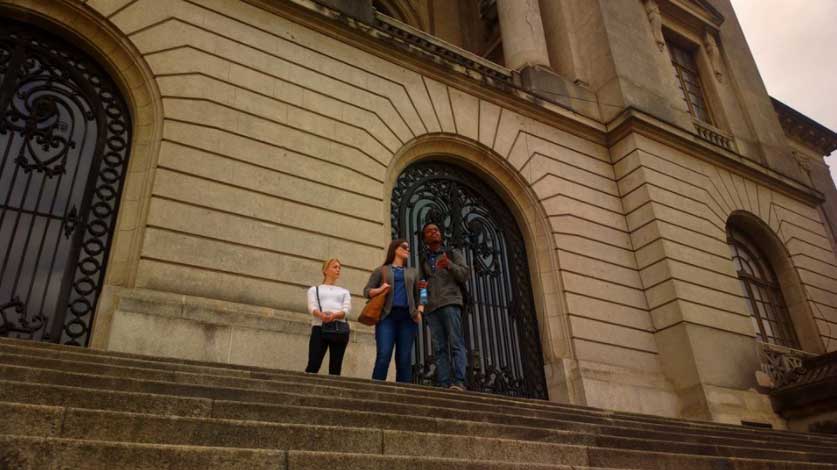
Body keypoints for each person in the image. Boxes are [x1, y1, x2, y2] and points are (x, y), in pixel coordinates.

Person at [364, 239, 423, 383]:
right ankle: (376, 390)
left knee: (404, 358)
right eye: (404, 247)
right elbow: (366, 291)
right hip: (387, 317)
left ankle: (404, 395)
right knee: (383, 355)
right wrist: (380, 289)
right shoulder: (381, 270)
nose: (407, 250)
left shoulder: (413, 272)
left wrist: (420, 310)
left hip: (408, 319)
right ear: (395, 249)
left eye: (408, 248)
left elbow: (423, 291)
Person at [420, 223, 469, 391]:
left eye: (436, 230)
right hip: (432, 309)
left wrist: (449, 264)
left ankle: (459, 381)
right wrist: (424, 305)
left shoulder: (452, 253)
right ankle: (443, 382)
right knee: (439, 347)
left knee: (456, 342)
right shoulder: (424, 260)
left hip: (450, 302)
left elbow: (464, 274)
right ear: (425, 238)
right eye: (429, 231)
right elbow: (422, 285)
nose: (434, 232)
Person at [305, 258, 351, 375]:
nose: (338, 270)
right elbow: (312, 307)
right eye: (335, 267)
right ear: (325, 270)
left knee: (336, 367)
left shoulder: (344, 292)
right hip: (320, 328)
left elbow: (347, 310)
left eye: (339, 268)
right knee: (313, 364)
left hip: (339, 329)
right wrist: (321, 315)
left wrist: (334, 315)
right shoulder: (314, 289)